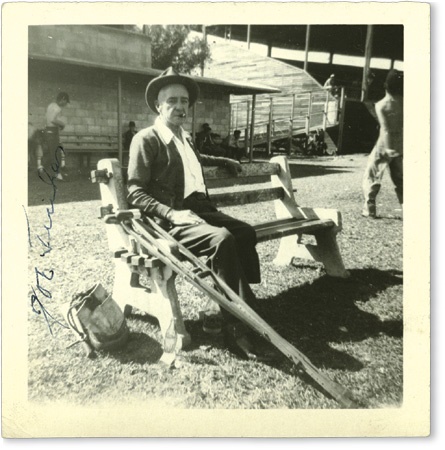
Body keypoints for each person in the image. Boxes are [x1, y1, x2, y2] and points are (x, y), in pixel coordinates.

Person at [127, 67, 276, 361]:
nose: (180, 107)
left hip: (198, 210)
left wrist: (225, 159)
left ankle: (236, 305)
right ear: (158, 106)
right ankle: (234, 327)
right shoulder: (147, 139)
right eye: (172, 101)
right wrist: (171, 214)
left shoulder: (183, 138)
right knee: (222, 240)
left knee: (245, 232)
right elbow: (134, 191)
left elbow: (194, 159)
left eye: (184, 101)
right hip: (168, 221)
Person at [362, 69, 403, 218]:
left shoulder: (381, 105)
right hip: (402, 142)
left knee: (372, 173)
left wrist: (388, 147)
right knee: (400, 178)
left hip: (384, 144)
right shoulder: (405, 103)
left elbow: (385, 128)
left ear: (386, 85)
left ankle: (369, 207)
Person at [43, 91, 70, 180]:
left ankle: (45, 172)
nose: (65, 104)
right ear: (63, 99)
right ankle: (57, 174)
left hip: (49, 131)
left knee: (51, 153)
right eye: (66, 102)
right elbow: (52, 120)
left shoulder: (51, 105)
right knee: (56, 153)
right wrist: (62, 124)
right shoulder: (57, 108)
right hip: (52, 132)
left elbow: (48, 118)